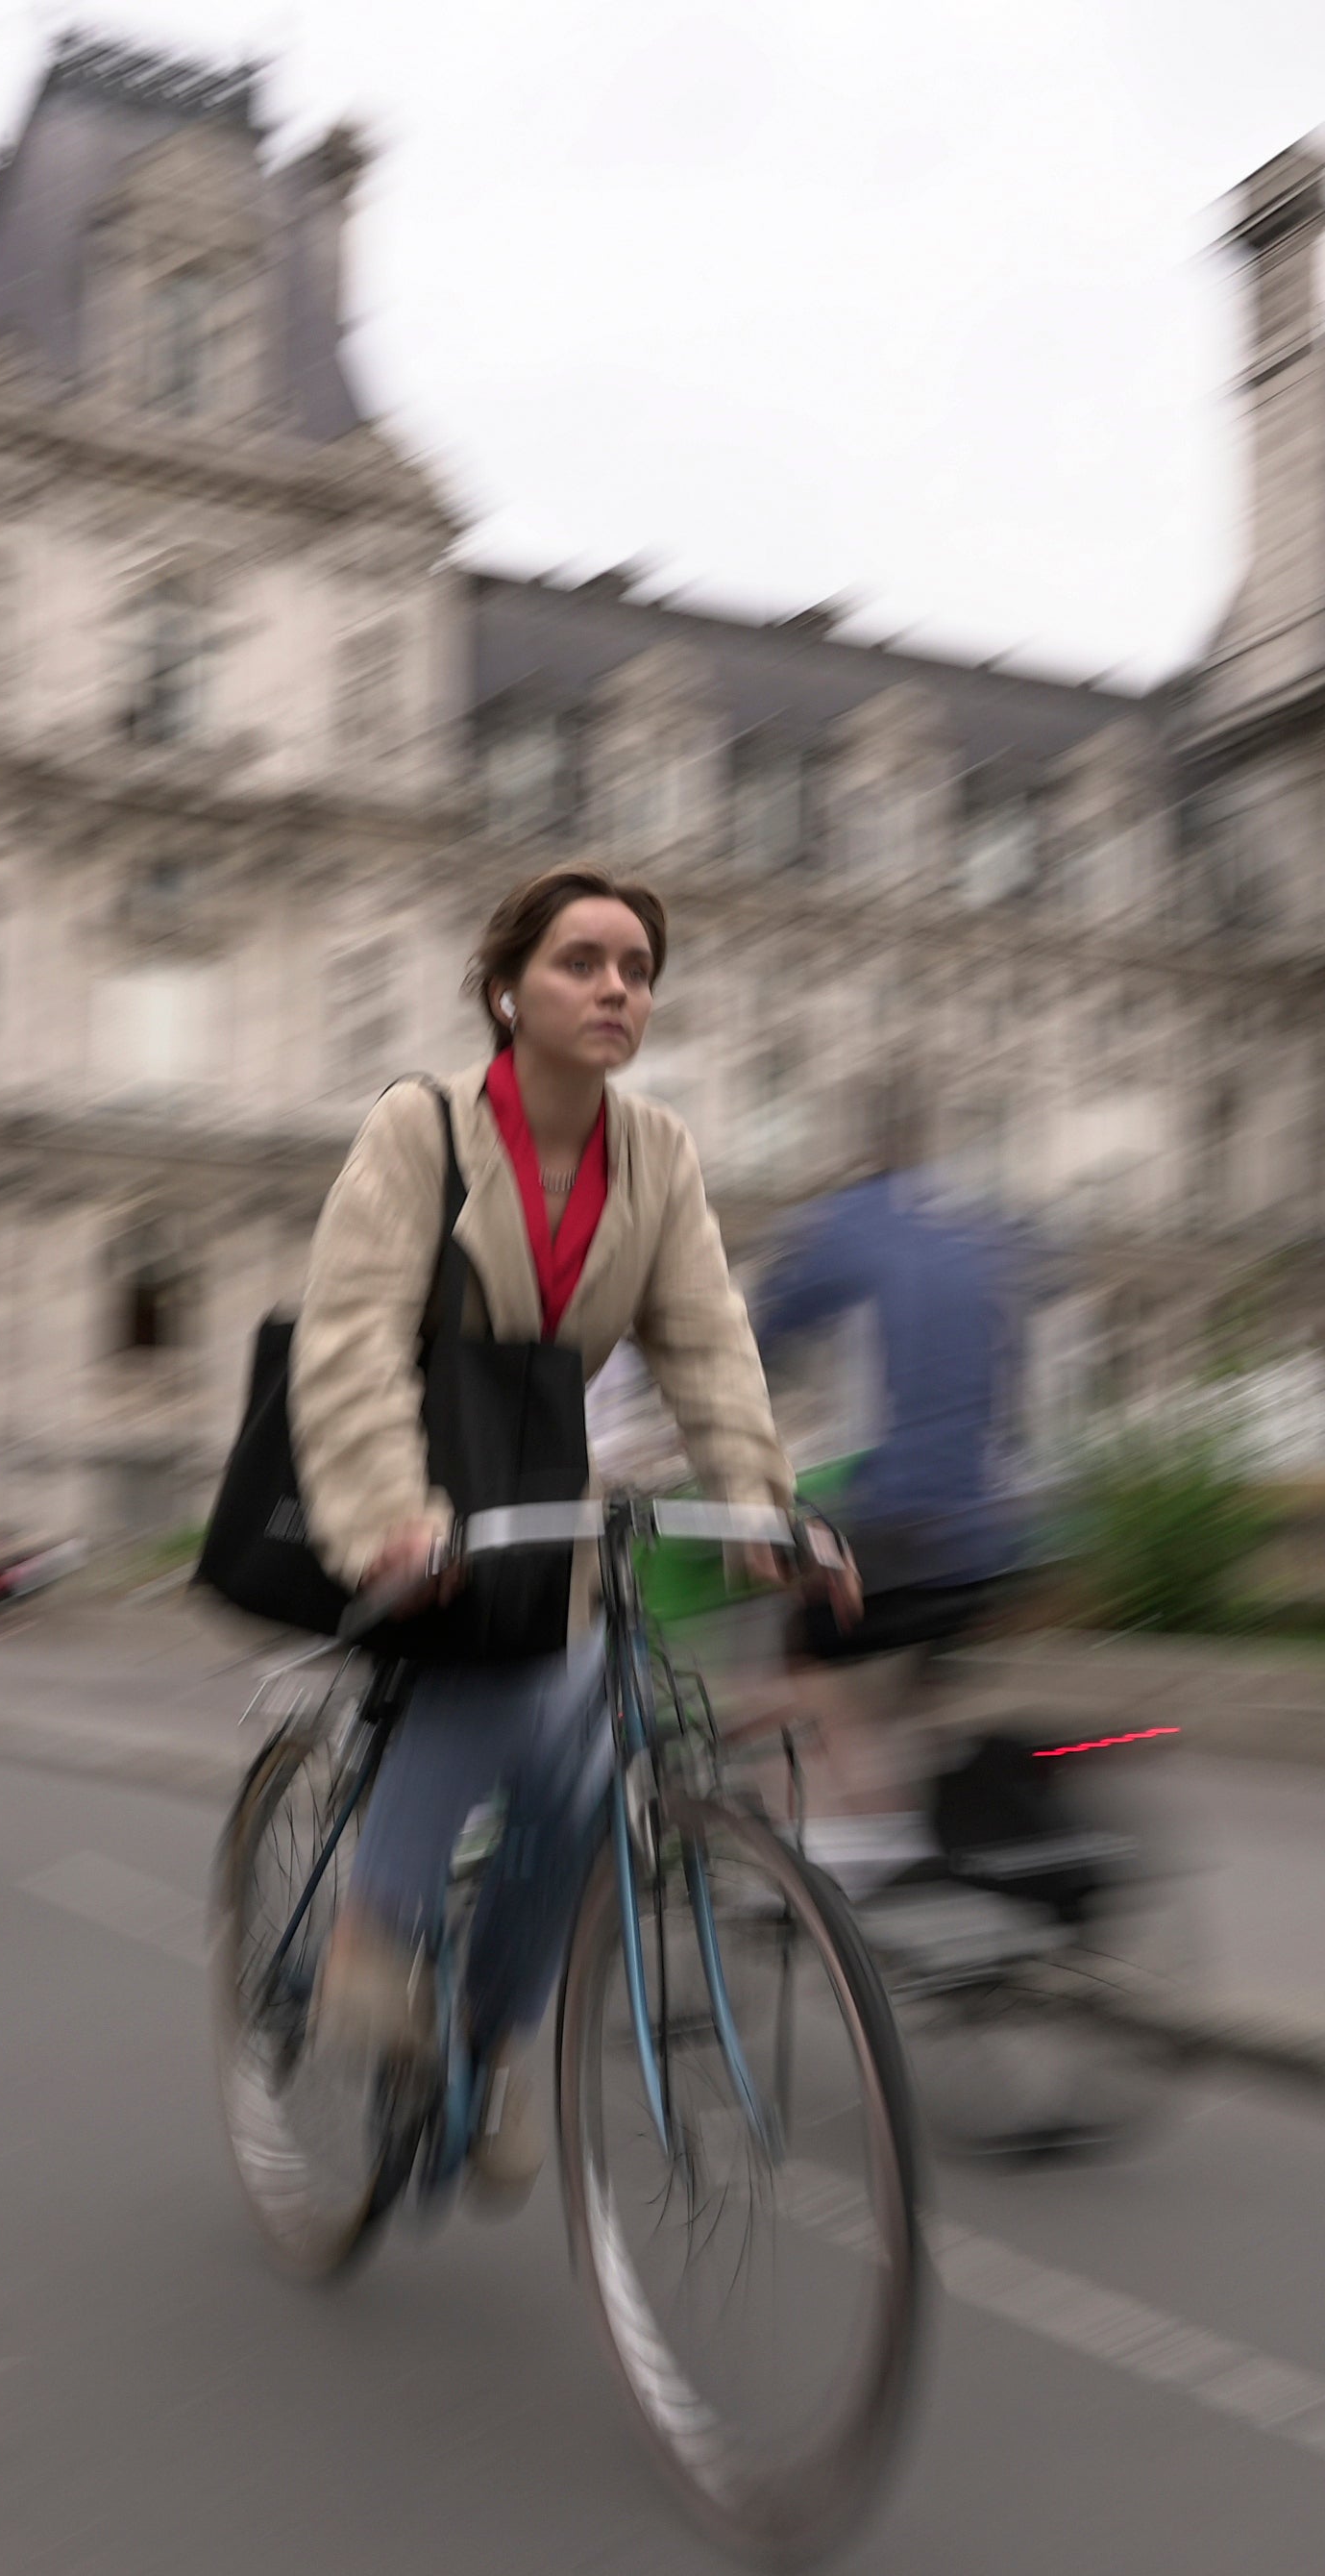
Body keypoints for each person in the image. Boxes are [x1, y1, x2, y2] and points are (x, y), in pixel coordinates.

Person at [291, 865, 837, 2216]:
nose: (615, 988)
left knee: (592, 1772)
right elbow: (352, 1337)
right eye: (581, 961)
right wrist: (391, 1515)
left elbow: (708, 1339)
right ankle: (367, 1936)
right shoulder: (421, 1132)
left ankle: (486, 2031)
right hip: (411, 1491)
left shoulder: (655, 1155)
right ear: (506, 989)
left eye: (637, 969)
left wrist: (763, 1499)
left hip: (541, 1502)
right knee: (498, 1687)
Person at [745, 1083, 1029, 1894]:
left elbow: (750, 1348)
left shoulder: (841, 1225)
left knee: (794, 1656)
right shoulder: (974, 1231)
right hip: (998, 1529)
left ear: (853, 1154)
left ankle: (868, 1843)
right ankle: (942, 1848)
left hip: (910, 1517)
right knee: (915, 1676)